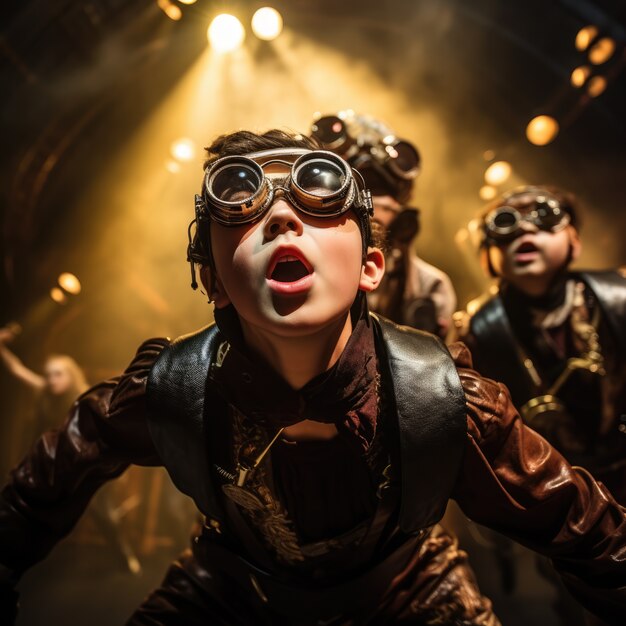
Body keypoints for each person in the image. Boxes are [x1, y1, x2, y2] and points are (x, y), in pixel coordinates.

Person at [1, 132, 626, 626]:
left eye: (317, 195)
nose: (281, 218)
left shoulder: (439, 396)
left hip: (411, 587)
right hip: (229, 589)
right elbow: (38, 491)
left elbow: (589, 532)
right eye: (244, 203)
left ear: (372, 266)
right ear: (212, 279)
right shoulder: (173, 387)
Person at [454, 185, 626, 624]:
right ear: (489, 254)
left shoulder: (616, 297)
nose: (524, 230)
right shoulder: (478, 329)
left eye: (544, 218)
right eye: (506, 226)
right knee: (578, 598)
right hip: (553, 493)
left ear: (574, 240)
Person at [0, 324, 143, 577]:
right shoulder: (44, 392)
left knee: (105, 515)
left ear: (70, 374)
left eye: (58, 374)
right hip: (56, 463)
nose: (53, 379)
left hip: (87, 465)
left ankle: (124, 555)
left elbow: (115, 432)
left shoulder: (86, 396)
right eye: (49, 374)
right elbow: (16, 370)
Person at [311, 112, 457, 338]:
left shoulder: (429, 287)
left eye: (378, 191)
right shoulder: (301, 272)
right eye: (351, 191)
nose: (366, 208)